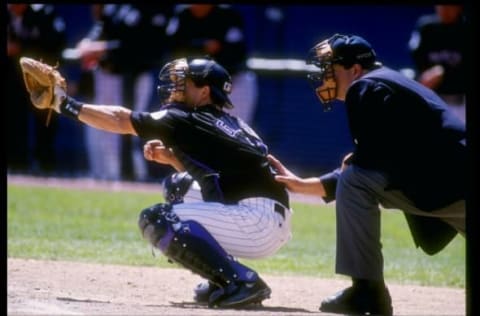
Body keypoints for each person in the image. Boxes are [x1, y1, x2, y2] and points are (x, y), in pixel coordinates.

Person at [24, 56, 292, 308]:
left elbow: (121, 119)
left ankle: (241, 281)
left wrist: (64, 103)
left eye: (183, 83)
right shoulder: (230, 123)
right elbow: (221, 175)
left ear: (205, 92)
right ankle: (224, 276)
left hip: (255, 221)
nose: (175, 89)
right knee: (177, 186)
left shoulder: (186, 118)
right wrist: (174, 159)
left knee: (156, 219)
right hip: (264, 216)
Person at [267, 34, 466, 316]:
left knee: (356, 176)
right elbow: (385, 157)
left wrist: (358, 161)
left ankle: (367, 291)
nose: (324, 76)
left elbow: (366, 168)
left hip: (449, 184)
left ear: (355, 69)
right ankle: (367, 292)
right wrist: (304, 185)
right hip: (451, 183)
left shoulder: (365, 87)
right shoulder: (386, 83)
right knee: (358, 174)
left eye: (330, 68)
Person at [75, 4, 174, 181]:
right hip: (106, 72)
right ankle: (102, 176)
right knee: (99, 127)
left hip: (134, 75)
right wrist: (89, 42)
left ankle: (130, 178)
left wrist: (103, 48)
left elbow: (144, 43)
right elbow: (102, 26)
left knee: (127, 127)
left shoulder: (153, 9)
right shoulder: (118, 7)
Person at [166, 4, 258, 125]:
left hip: (233, 82)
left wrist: (205, 50)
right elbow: (172, 48)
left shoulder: (227, 14)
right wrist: (203, 46)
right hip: (196, 85)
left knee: (235, 129)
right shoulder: (182, 14)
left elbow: (236, 54)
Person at [7, 4, 67, 173]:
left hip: (42, 80)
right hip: (14, 80)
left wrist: (21, 47)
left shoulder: (44, 13)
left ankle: (46, 166)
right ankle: (17, 165)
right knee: (14, 121)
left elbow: (57, 41)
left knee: (45, 121)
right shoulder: (9, 15)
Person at [408, 5, 466, 123]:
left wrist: (444, 72)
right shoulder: (427, 27)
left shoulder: (465, 29)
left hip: (460, 100)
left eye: (449, 6)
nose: (445, 9)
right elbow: (417, 56)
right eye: (441, 6)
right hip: (432, 98)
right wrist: (424, 75)